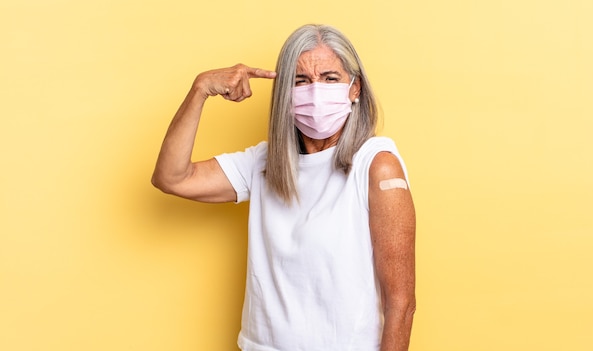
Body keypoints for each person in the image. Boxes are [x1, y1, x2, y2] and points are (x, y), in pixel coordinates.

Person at [152, 24, 416, 351]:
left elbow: (401, 303)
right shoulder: (264, 163)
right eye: (300, 80)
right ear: (285, 94)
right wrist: (200, 89)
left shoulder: (376, 166)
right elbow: (171, 177)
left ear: (355, 88)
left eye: (330, 78)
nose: (315, 91)